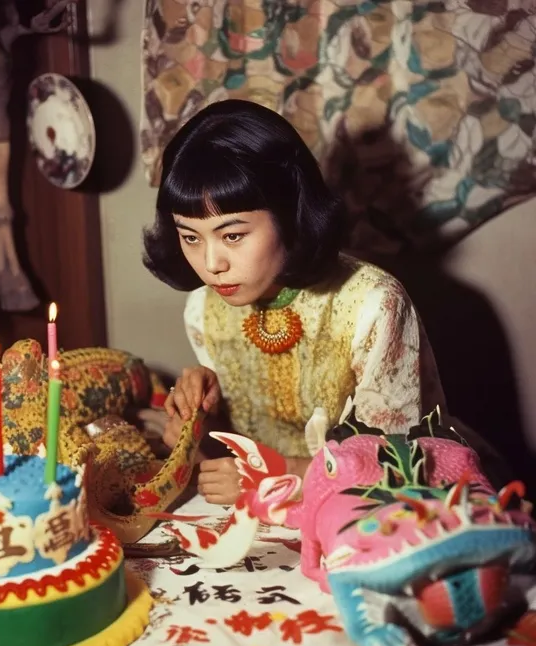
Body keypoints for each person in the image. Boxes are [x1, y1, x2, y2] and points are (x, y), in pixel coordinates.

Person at [142, 99, 446, 506]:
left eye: (232, 235)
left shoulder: (373, 305)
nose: (211, 265)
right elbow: (224, 463)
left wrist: (277, 475)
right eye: (191, 237)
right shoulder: (203, 310)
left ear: (289, 214)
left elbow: (402, 469)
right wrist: (196, 426)